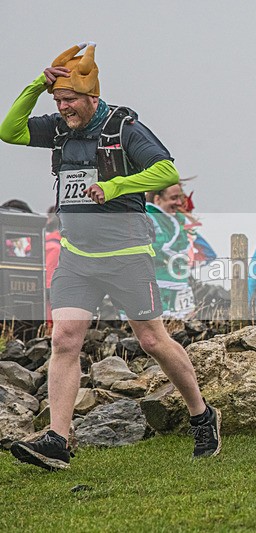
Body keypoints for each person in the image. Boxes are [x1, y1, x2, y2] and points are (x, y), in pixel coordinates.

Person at [0, 42, 220, 469]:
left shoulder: (123, 127)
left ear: (92, 98)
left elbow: (166, 171)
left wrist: (115, 186)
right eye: (58, 100)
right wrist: (35, 85)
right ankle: (59, 440)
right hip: (76, 256)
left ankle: (202, 415)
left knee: (152, 340)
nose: (64, 108)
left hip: (127, 254)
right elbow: (9, 130)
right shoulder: (60, 129)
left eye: (71, 100)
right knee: (65, 338)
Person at [146, 184, 195, 319]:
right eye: (174, 198)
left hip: (178, 289)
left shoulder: (177, 221)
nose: (179, 203)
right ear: (157, 199)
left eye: (180, 198)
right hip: (156, 290)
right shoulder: (147, 218)